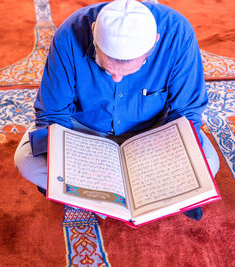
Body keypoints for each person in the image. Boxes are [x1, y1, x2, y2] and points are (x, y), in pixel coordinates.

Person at [14, 0, 219, 220]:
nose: (116, 78)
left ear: (155, 42)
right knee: (26, 161)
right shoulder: (69, 35)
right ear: (93, 32)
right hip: (83, 131)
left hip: (151, 133)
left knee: (209, 162)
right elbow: (53, 113)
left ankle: (86, 195)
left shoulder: (178, 34)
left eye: (128, 72)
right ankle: (153, 194)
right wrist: (65, 159)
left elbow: (187, 111)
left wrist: (169, 157)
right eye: (106, 68)